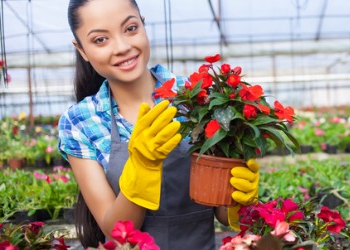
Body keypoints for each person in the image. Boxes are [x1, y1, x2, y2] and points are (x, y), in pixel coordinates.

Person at [58, 0, 259, 249]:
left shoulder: (198, 96)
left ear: (143, 24)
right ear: (82, 50)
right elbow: (115, 231)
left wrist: (238, 199)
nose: (122, 47)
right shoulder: (80, 121)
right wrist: (141, 169)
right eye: (100, 40)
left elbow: (221, 212)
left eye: (130, 28)